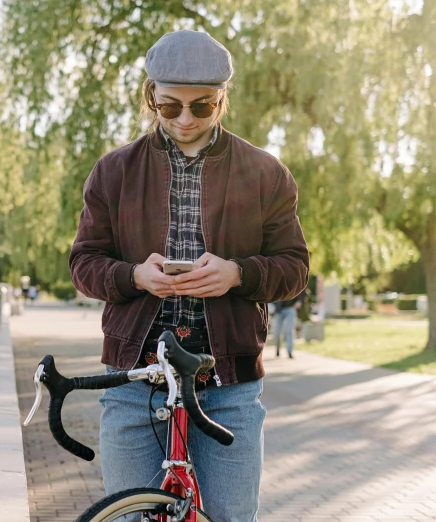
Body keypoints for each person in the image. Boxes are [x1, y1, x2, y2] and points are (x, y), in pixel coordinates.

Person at [69, 30, 309, 521]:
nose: (184, 119)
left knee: (231, 516)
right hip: (136, 378)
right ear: (149, 95)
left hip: (228, 385)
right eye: (169, 105)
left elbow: (294, 268)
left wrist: (237, 274)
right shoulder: (113, 171)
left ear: (223, 98)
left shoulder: (265, 173)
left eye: (202, 107)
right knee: (128, 516)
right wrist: (134, 276)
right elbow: (84, 264)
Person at [273, 289, 307, 358]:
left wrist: (299, 301)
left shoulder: (292, 278)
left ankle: (289, 351)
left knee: (289, 330)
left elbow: (303, 291)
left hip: (290, 308)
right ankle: (277, 349)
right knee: (277, 332)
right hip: (279, 310)